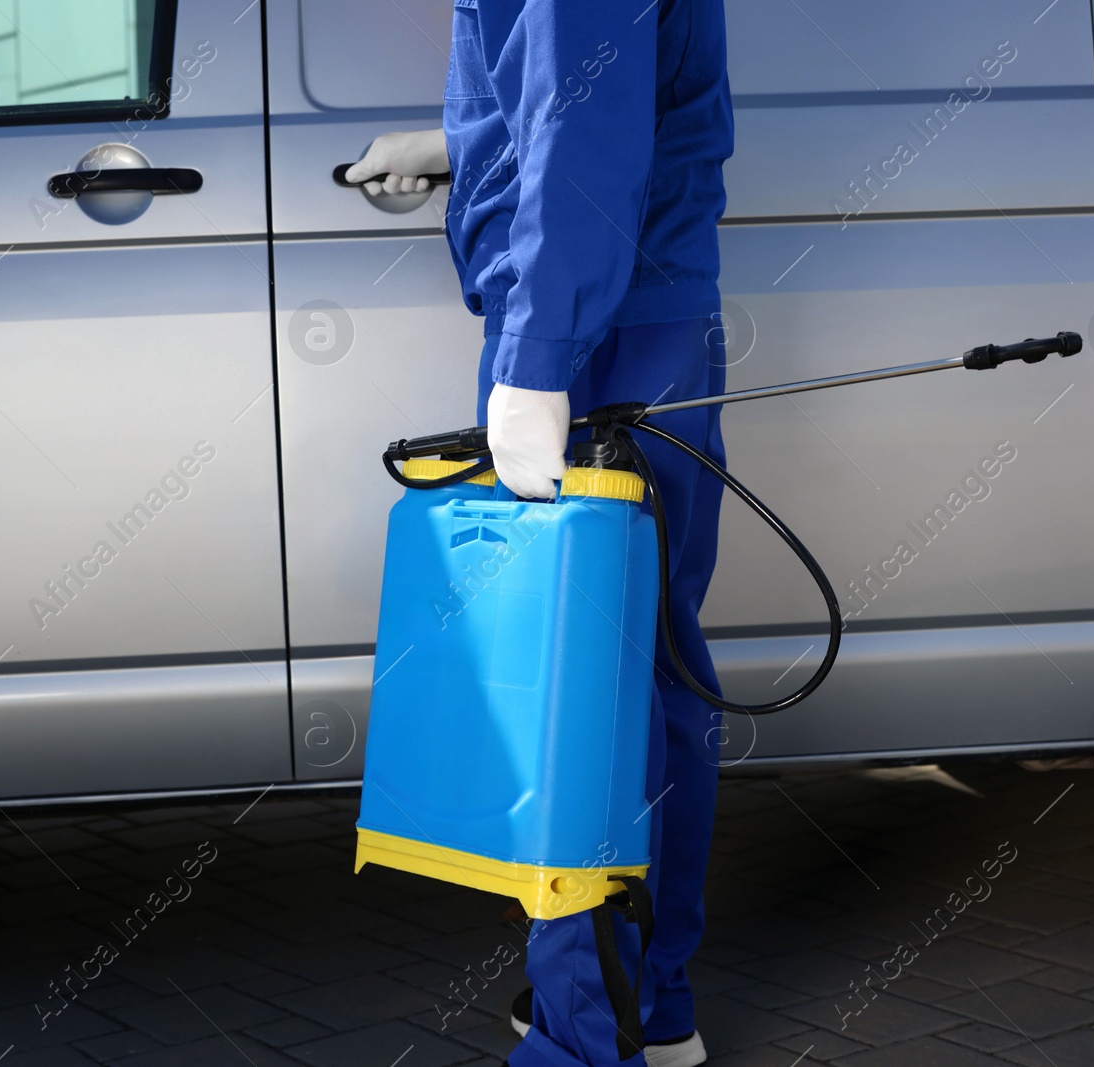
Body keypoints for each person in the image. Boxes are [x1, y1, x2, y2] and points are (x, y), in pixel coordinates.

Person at [347, 3, 732, 1064]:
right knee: (639, 676)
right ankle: (645, 1004)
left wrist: (536, 351)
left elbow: (585, 110)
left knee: (577, 695)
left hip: (591, 329)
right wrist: (462, 147)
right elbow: (593, 83)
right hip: (632, 308)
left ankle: (581, 1035)